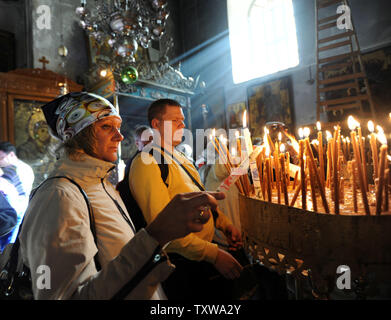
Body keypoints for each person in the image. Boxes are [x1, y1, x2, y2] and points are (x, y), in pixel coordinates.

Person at [18, 92, 225, 300]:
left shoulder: (102, 185)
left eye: (118, 127)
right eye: (106, 127)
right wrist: (155, 235)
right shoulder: (59, 196)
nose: (120, 136)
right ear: (79, 134)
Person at [128, 98, 243, 300]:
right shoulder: (147, 162)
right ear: (156, 124)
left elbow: (199, 197)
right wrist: (213, 254)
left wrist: (224, 224)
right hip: (179, 264)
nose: (183, 125)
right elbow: (163, 229)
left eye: (182, 120)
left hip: (199, 257)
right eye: (175, 120)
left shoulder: (179, 158)